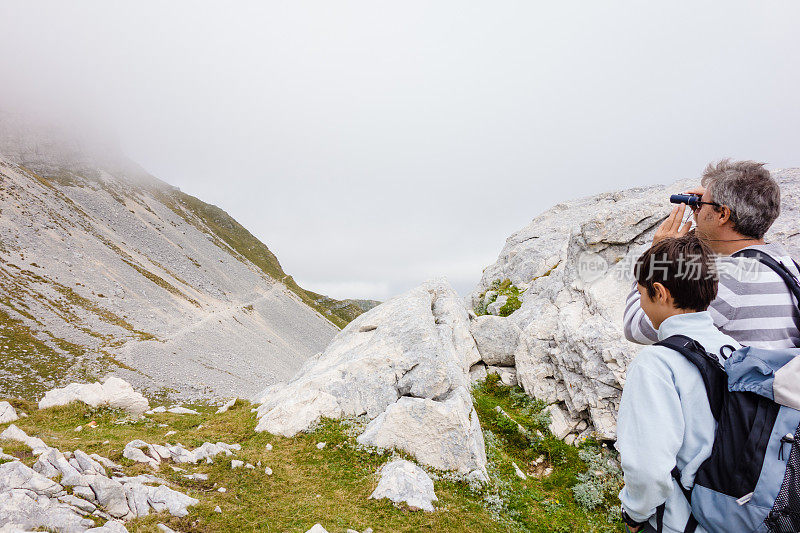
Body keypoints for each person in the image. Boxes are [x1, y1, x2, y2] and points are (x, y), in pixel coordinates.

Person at [616, 234, 739, 533]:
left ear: (659, 292)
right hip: (737, 513)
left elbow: (648, 469)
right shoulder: (733, 348)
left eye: (641, 291)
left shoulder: (656, 364)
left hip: (685, 521)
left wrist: (634, 515)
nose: (640, 301)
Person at [624, 159, 800, 349]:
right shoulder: (789, 266)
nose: (697, 211)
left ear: (723, 214)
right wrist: (709, 206)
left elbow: (637, 326)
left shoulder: (724, 280)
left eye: (702, 204)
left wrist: (656, 258)